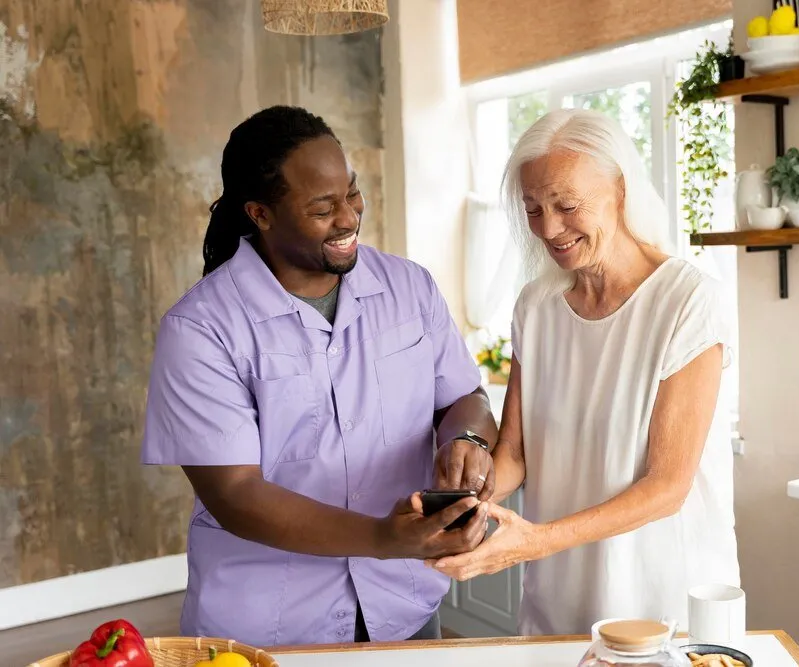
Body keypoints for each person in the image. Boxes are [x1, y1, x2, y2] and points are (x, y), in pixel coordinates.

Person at [140, 105, 499, 647]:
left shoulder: (410, 287)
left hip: (403, 603)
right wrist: (382, 536)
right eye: (322, 207)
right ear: (260, 213)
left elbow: (461, 399)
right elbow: (234, 493)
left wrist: (467, 438)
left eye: (351, 194)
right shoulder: (200, 329)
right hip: (267, 627)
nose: (349, 217)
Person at [429, 108, 739, 635]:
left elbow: (667, 486)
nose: (549, 228)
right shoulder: (536, 306)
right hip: (558, 597)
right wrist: (462, 503)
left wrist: (536, 541)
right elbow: (515, 455)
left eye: (567, 205)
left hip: (660, 601)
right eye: (533, 209)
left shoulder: (688, 300)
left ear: (620, 189)